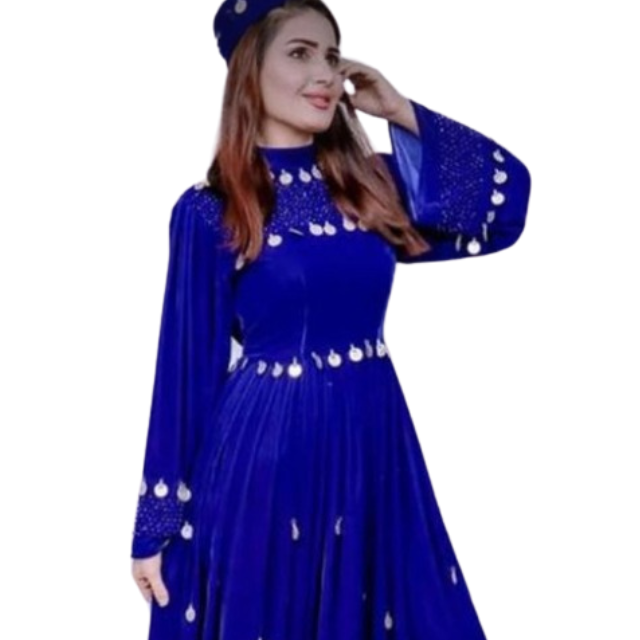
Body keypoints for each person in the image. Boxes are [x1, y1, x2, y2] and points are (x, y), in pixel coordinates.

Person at [130, 0, 532, 638]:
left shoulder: (368, 184)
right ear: (249, 70)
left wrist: (400, 111)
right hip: (268, 455)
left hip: (376, 442)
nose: (325, 73)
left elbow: (502, 209)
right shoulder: (212, 210)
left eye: (332, 54)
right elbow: (184, 376)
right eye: (300, 53)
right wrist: (155, 528)